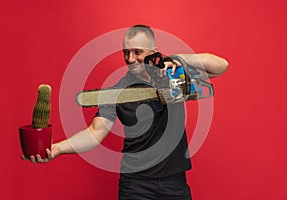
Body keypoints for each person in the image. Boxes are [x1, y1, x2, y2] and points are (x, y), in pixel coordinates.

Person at [24, 24, 228, 200]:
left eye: (137, 52)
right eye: (126, 52)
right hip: (135, 185)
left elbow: (221, 66)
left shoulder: (172, 73)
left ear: (153, 51)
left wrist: (178, 60)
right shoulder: (117, 91)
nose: (130, 59)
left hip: (175, 180)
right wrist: (58, 148)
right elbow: (95, 132)